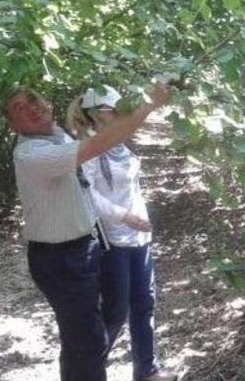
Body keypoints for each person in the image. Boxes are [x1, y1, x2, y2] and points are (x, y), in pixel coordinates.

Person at [3, 83, 169, 381]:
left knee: (88, 338)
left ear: (48, 102)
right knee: (88, 341)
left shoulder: (57, 139)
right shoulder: (33, 154)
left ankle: (142, 369)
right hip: (61, 259)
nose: (31, 106)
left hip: (81, 250)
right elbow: (97, 147)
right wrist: (150, 106)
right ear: (12, 125)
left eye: (33, 97)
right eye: (19, 108)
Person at [66, 87, 177, 381]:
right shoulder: (86, 149)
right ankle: (89, 369)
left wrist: (141, 219)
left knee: (145, 303)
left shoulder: (121, 146)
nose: (119, 116)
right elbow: (86, 196)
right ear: (94, 114)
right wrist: (125, 216)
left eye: (120, 110)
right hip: (110, 241)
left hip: (138, 238)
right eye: (112, 110)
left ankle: (146, 369)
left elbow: (131, 189)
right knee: (115, 310)